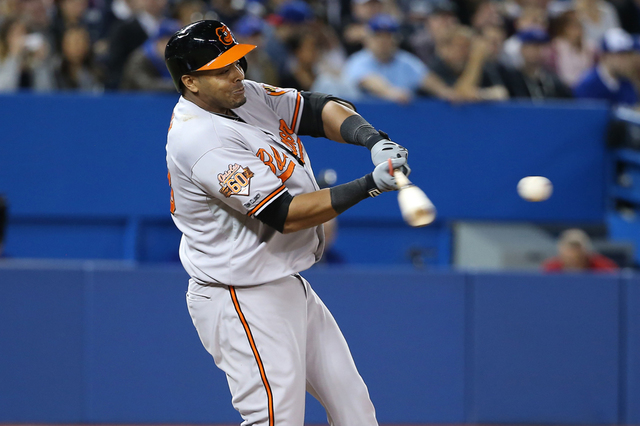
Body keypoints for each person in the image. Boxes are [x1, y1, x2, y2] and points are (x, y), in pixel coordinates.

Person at [165, 19, 411, 426]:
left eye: (237, 63)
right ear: (191, 82)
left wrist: (371, 138)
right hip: (239, 295)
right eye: (222, 69)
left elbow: (314, 109)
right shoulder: (199, 138)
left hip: (283, 281)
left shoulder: (241, 96)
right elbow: (286, 214)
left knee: (356, 411)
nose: (237, 75)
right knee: (275, 420)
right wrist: (370, 185)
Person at [343, 13, 459, 103]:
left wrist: (446, 93)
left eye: (388, 36)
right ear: (368, 39)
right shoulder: (358, 60)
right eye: (378, 36)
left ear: (396, 39)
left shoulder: (406, 60)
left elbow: (427, 78)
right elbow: (369, 80)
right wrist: (390, 92)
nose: (383, 41)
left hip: (400, 119)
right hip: (366, 120)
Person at [574, 27, 639, 105]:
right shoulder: (588, 85)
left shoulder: (627, 82)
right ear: (604, 56)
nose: (625, 61)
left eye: (628, 55)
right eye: (620, 55)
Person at [120, 19, 179, 91]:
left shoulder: (176, 59)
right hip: (133, 99)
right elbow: (144, 84)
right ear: (158, 41)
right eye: (167, 42)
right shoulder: (140, 58)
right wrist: (175, 85)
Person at [542, 228, 618, 272]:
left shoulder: (604, 268)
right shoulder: (551, 268)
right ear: (561, 251)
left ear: (587, 251)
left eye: (577, 248)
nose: (573, 253)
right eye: (570, 248)